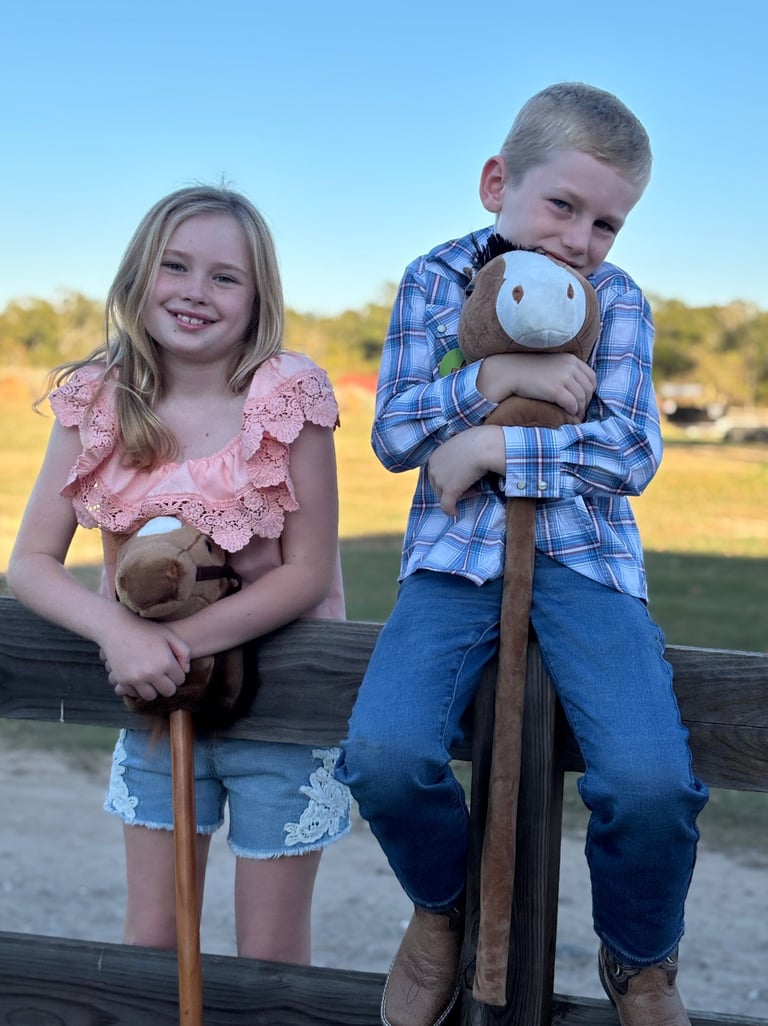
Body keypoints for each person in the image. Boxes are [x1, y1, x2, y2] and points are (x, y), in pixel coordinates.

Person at [334, 82, 708, 1026]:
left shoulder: (617, 301)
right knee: (384, 753)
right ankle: (443, 907)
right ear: (498, 181)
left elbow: (629, 452)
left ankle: (641, 960)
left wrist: (491, 447)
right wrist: (497, 377)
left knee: (651, 782)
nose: (581, 239)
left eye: (608, 223)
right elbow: (395, 431)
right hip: (455, 562)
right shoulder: (435, 280)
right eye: (563, 205)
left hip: (588, 565)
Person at [8, 185, 351, 965]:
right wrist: (120, 635)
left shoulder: (285, 396)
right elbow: (28, 564)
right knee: (154, 947)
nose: (196, 292)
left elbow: (305, 573)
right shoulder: (101, 401)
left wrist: (178, 643)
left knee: (268, 960)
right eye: (176, 266)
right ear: (140, 275)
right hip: (158, 708)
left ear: (258, 295)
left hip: (284, 708)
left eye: (225, 277)